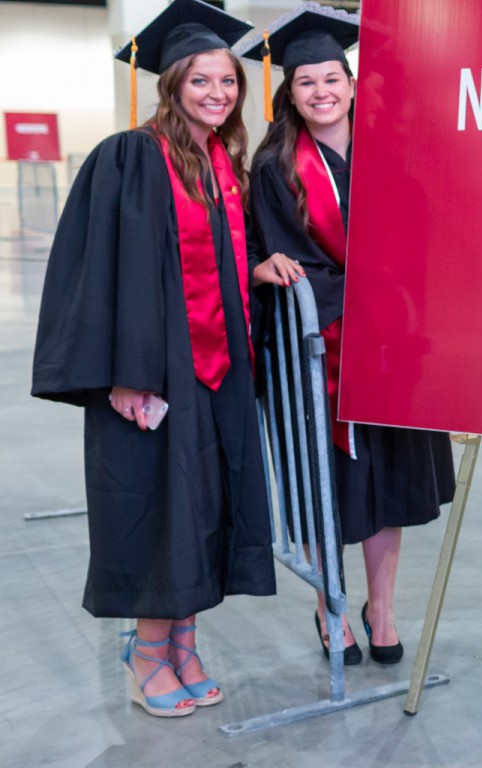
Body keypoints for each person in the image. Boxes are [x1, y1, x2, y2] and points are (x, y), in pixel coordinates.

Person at [30, 0, 288, 717]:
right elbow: (102, 271)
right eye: (202, 82)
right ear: (172, 84)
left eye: (228, 83)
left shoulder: (221, 163)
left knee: (203, 503)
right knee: (156, 505)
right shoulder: (130, 155)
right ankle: (148, 649)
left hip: (216, 368)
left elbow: (218, 264)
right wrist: (126, 374)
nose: (218, 94)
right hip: (152, 368)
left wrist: (258, 272)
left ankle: (183, 643)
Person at [243, 3, 456, 667]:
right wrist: (361, 290)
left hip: (390, 348)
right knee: (325, 483)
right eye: (307, 82)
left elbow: (422, 239)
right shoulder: (275, 165)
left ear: (353, 81)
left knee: (385, 483)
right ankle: (327, 605)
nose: (321, 91)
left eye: (332, 77)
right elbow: (284, 258)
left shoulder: (391, 148)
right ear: (291, 91)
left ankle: (382, 608)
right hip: (315, 353)